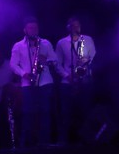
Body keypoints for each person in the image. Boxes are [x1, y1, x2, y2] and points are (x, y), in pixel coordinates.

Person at [10, 17, 57, 147]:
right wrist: (23, 74)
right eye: (30, 28)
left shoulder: (45, 43)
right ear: (25, 30)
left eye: (35, 28)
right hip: (27, 83)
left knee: (45, 113)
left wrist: (46, 60)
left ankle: (45, 143)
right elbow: (13, 64)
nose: (33, 30)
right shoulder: (18, 46)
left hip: (45, 82)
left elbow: (55, 58)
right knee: (28, 113)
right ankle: (29, 144)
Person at [55, 17, 96, 145]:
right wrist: (66, 75)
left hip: (84, 81)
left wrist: (85, 61)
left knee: (85, 111)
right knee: (66, 113)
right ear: (68, 27)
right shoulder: (62, 43)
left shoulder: (87, 39)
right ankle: (64, 142)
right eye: (73, 26)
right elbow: (57, 63)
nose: (76, 28)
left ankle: (87, 141)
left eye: (78, 26)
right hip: (68, 83)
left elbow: (93, 55)